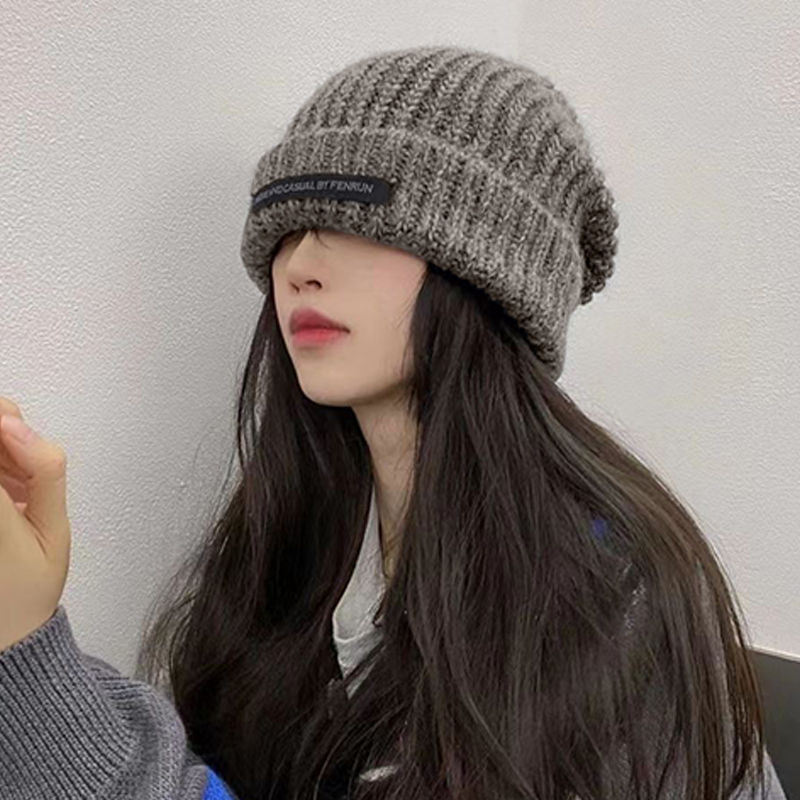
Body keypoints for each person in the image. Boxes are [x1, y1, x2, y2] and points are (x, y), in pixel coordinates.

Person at [0, 43, 788, 800]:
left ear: (490, 272)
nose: (300, 266)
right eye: (286, 228)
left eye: (361, 220)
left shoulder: (613, 599)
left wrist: (30, 656)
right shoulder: (289, 552)